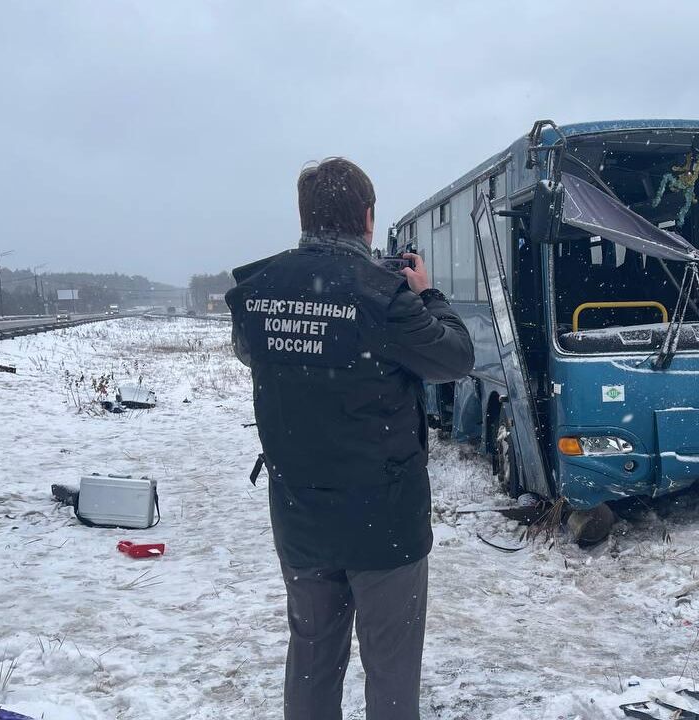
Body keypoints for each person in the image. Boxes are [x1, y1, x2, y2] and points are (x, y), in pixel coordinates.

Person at [225, 157, 474, 720]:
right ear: (367, 217)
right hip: (383, 520)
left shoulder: (257, 292)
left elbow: (257, 356)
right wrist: (427, 295)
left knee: (311, 661)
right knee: (390, 672)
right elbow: (454, 358)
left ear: (303, 215)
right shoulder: (383, 296)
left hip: (300, 515)